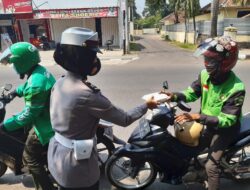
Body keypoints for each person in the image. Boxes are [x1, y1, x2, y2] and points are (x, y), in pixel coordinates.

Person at [48, 27, 159, 190]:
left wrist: (91, 124)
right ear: (82, 58)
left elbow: (69, 115)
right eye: (92, 56)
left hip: (57, 156)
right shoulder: (86, 93)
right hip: (77, 167)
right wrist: (147, 105)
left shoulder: (60, 83)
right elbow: (125, 118)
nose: (95, 61)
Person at [162, 36, 245, 190]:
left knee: (211, 167)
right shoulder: (205, 75)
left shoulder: (236, 88)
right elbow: (191, 93)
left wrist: (198, 117)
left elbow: (227, 120)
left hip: (225, 130)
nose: (206, 64)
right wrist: (172, 95)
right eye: (205, 59)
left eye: (211, 61)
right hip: (207, 123)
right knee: (190, 148)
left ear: (225, 63)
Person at [0, 42, 56, 190]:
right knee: (19, 129)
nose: (13, 66)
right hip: (46, 115)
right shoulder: (39, 71)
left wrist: (5, 125)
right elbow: (27, 86)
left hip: (44, 125)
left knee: (30, 158)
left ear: (22, 62)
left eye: (14, 63)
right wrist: (14, 93)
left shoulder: (36, 84)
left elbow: (28, 115)